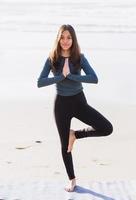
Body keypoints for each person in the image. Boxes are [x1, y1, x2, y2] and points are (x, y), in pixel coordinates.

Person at [37, 24, 113, 192]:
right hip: (61, 105)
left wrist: (70, 75)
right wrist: (59, 77)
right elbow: (40, 82)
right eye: (62, 37)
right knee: (65, 146)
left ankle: (75, 134)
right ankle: (72, 179)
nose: (65, 41)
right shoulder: (52, 58)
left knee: (107, 128)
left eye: (69, 37)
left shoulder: (79, 57)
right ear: (58, 39)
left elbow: (94, 78)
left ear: (73, 39)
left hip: (79, 102)